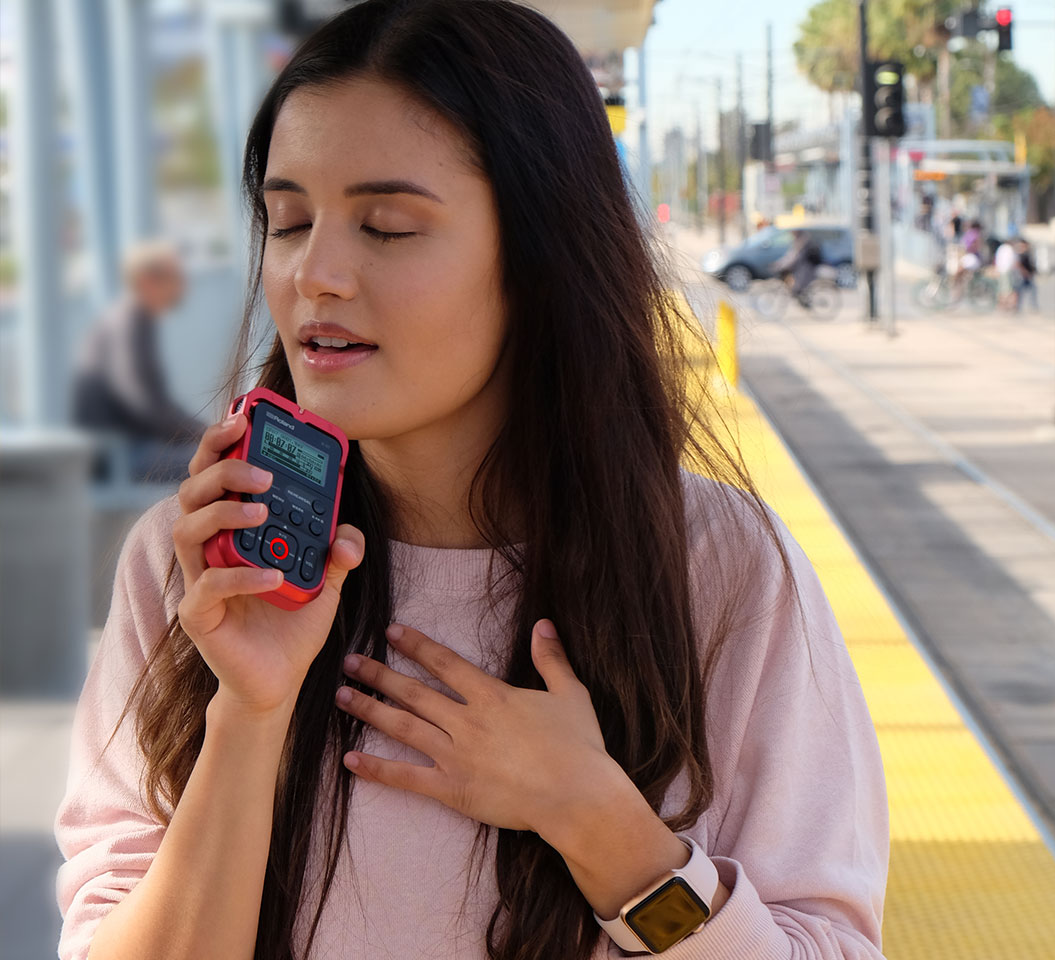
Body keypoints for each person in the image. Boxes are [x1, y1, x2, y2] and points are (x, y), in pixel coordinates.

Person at [54, 3, 889, 959]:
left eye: (388, 227)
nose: (313, 274)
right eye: (288, 221)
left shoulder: (724, 570)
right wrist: (247, 716)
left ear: (541, 259)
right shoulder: (197, 565)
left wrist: (596, 820)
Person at [70, 240, 205, 482]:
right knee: (215, 463)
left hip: (121, 448)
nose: (181, 286)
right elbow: (142, 402)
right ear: (147, 281)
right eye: (174, 278)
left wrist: (197, 430)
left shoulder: (127, 318)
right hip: (118, 455)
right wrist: (199, 432)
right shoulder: (129, 323)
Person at [770, 229, 822, 300]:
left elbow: (794, 257)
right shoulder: (801, 239)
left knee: (798, 285)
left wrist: (782, 266)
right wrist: (780, 264)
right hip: (803, 266)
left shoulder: (802, 241)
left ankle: (803, 298)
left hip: (806, 267)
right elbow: (790, 256)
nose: (792, 234)